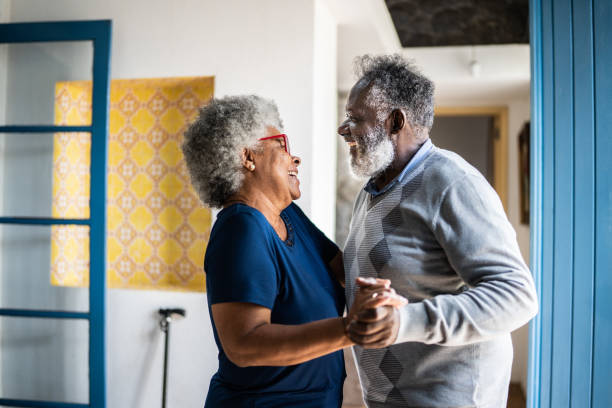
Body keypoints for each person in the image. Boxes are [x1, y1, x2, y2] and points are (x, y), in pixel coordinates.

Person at [338, 55, 539, 407]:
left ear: (394, 121)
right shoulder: (373, 189)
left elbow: (517, 296)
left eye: (355, 119)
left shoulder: (452, 183)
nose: (343, 130)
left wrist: (405, 321)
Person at [181, 95, 406, 408]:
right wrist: (351, 329)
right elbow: (244, 345)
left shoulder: (288, 215)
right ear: (248, 157)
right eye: (282, 145)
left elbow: (344, 270)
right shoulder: (240, 227)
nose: (294, 158)